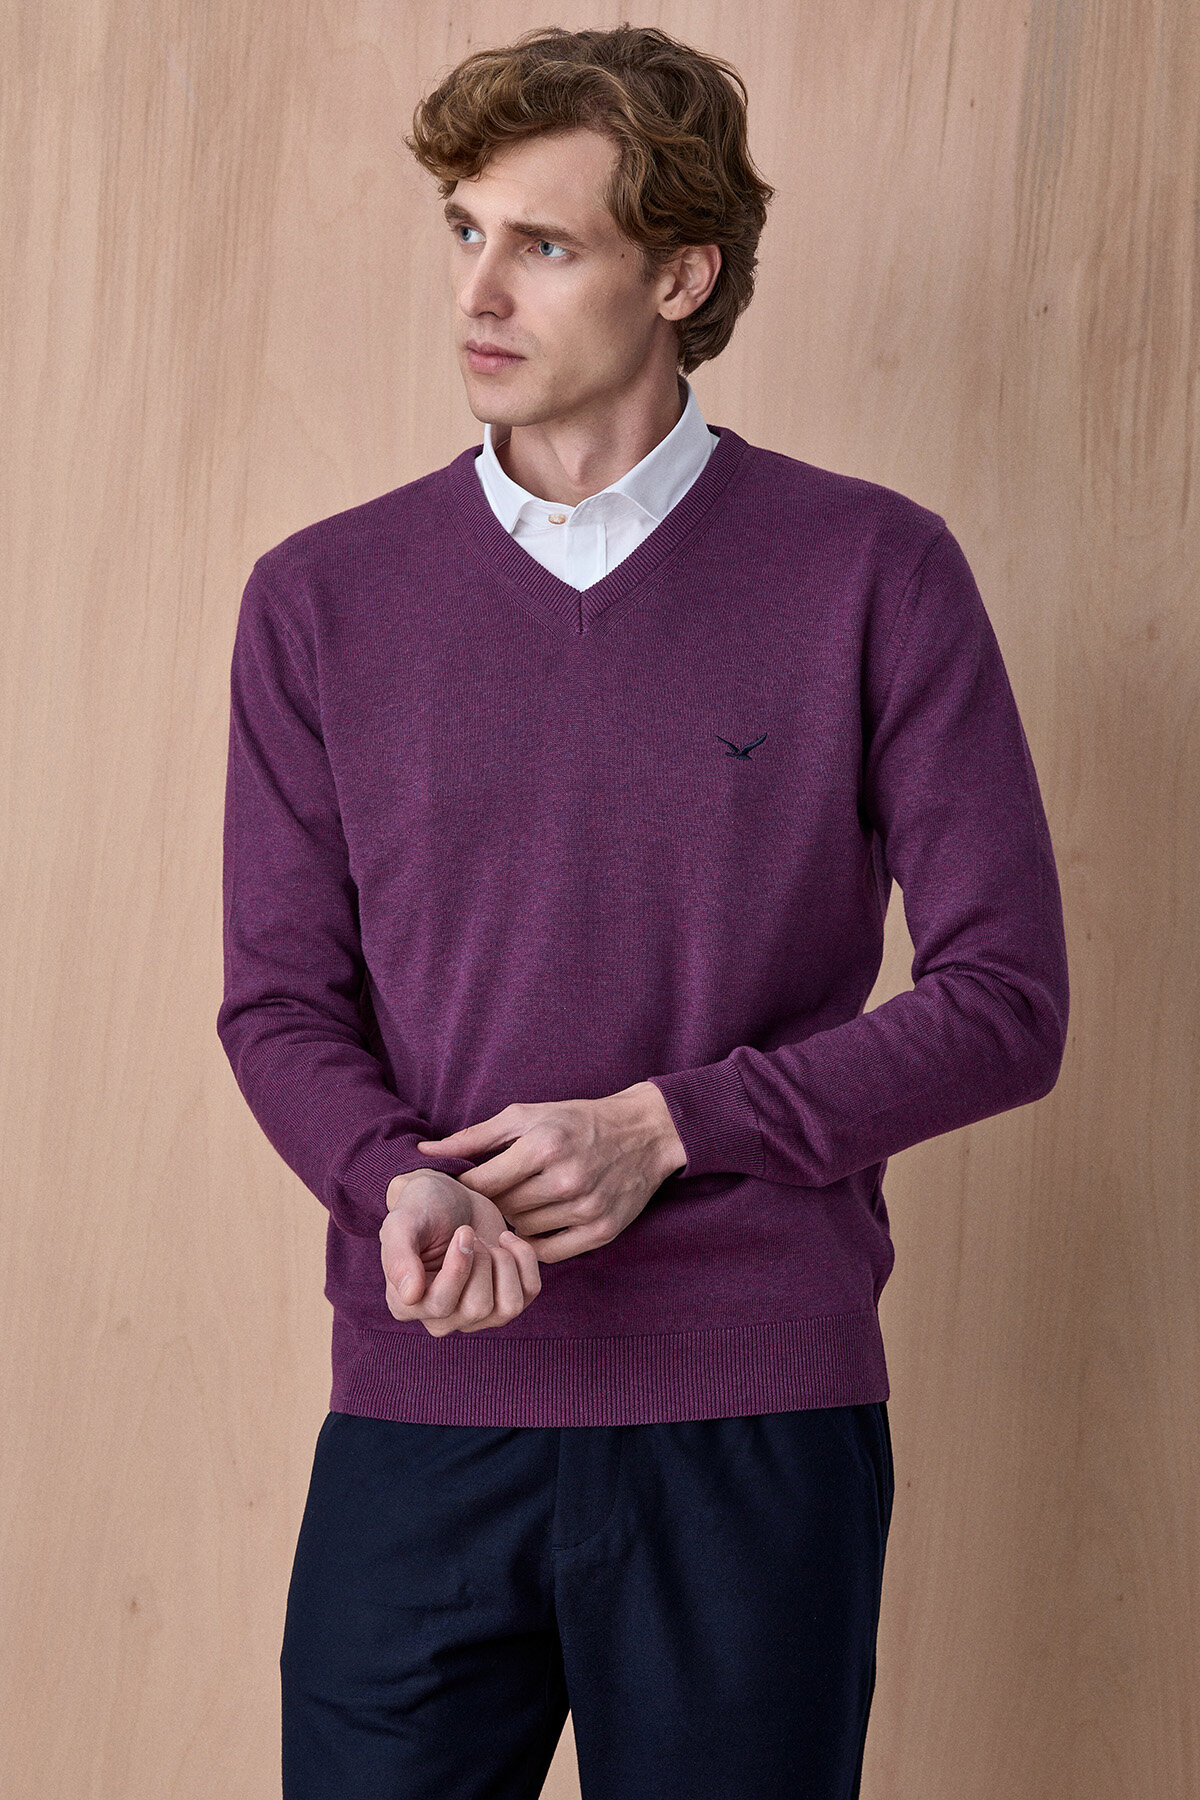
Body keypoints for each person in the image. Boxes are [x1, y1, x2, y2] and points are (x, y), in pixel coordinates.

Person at [216, 23, 1070, 1799]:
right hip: (427, 1405)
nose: (479, 291)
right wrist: (393, 1180)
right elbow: (279, 1003)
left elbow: (1007, 1000)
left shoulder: (873, 573)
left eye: (545, 244)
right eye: (466, 232)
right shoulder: (320, 600)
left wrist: (666, 1129)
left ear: (680, 276)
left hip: (753, 1415)